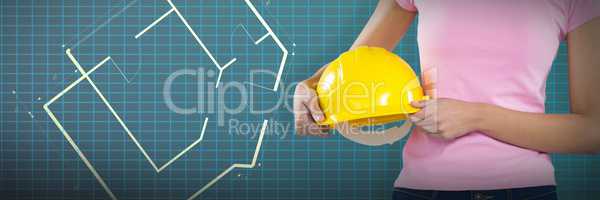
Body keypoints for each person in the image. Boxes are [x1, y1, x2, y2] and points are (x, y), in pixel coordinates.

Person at [293, 0, 600, 199]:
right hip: (422, 189)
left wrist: (478, 116)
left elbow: (592, 131)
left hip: (524, 189)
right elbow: (353, 67)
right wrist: (308, 87)